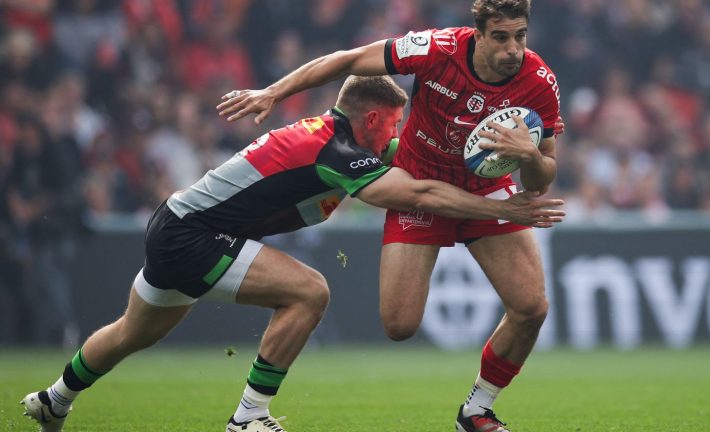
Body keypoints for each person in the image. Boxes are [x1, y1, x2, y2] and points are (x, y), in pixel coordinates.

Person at [22, 75, 564, 432]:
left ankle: (54, 399)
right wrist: (506, 211)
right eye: (392, 124)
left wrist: (481, 141)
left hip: (176, 224)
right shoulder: (336, 151)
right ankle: (249, 418)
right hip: (193, 235)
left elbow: (414, 160)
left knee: (131, 332)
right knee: (310, 292)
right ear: (373, 119)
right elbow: (415, 193)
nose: (395, 135)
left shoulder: (335, 138)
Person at [216, 1, 561, 430]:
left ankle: (477, 410)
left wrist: (529, 153)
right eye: (501, 37)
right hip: (417, 187)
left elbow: (543, 175)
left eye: (521, 36)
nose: (514, 48)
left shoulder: (539, 81)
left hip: (488, 190)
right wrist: (274, 92)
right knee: (399, 324)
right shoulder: (436, 49)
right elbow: (348, 61)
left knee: (531, 307)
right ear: (478, 34)